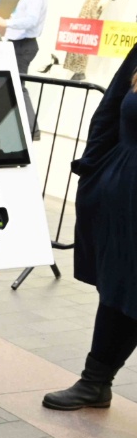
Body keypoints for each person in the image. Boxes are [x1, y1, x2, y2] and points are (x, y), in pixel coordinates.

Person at [44, 43, 137, 410]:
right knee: (120, 286)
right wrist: (92, 172)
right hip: (126, 190)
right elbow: (111, 108)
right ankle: (96, 381)